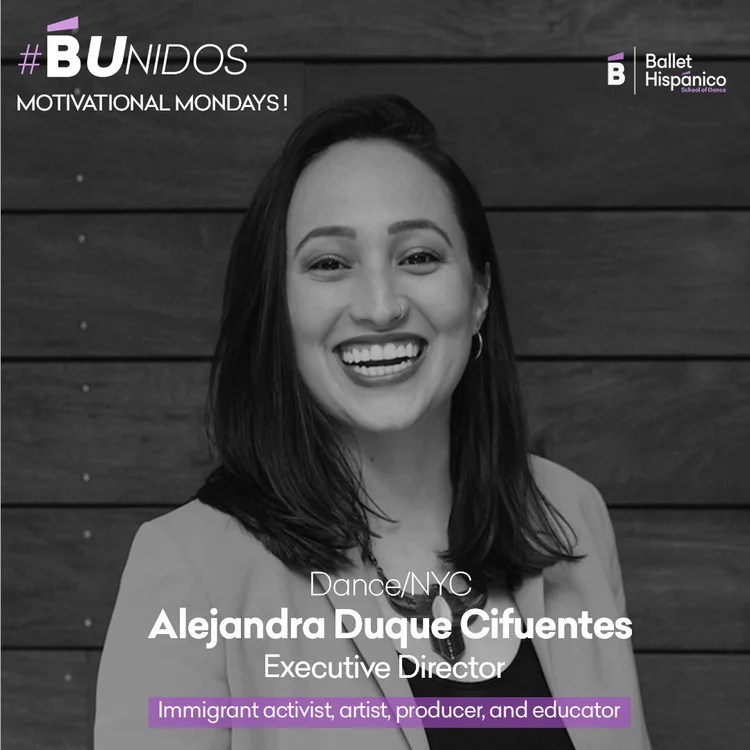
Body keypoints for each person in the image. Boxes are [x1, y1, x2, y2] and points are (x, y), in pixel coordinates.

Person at [94, 94, 652, 750]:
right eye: (329, 264)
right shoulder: (190, 568)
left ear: (477, 295)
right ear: (277, 309)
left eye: (419, 257)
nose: (381, 307)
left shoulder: (570, 514)